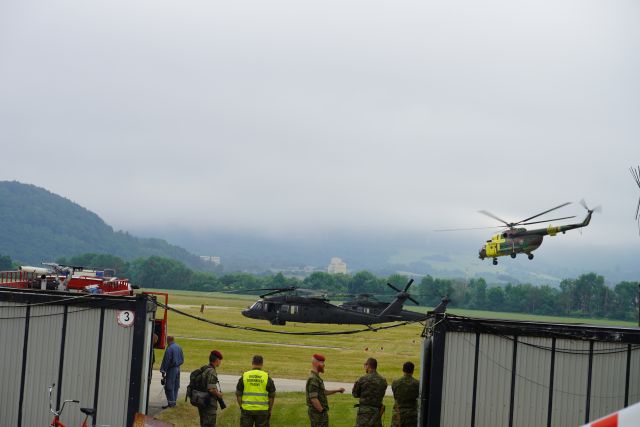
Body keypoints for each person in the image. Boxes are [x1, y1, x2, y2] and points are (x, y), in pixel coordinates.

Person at [236, 355, 276, 427]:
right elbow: (272, 396)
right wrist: (269, 409)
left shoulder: (245, 376)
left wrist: (241, 406)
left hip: (247, 410)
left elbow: (238, 394)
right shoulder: (266, 377)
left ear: (252, 363)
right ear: (262, 364)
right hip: (262, 410)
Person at [306, 354, 345, 427]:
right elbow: (313, 398)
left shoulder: (316, 378)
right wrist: (322, 411)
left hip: (319, 413)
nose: (324, 365)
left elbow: (323, 392)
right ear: (316, 363)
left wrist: (337, 390)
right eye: (322, 362)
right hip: (317, 414)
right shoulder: (313, 379)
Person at [352, 357, 388, 427]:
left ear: (368, 366)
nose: (364, 367)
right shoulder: (383, 381)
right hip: (376, 413)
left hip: (363, 414)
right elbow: (381, 394)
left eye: (365, 365)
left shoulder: (362, 379)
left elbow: (355, 394)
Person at [195, 350, 225, 427]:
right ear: (217, 360)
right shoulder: (212, 371)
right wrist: (218, 394)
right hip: (209, 404)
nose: (220, 362)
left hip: (202, 401)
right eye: (220, 360)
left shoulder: (205, 368)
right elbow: (211, 389)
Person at [391, 361, 419, 427]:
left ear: (403, 370)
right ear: (412, 371)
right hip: (411, 416)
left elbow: (395, 396)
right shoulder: (417, 384)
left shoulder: (395, 383)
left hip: (398, 415)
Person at [159, 336, 184, 409]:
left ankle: (171, 404)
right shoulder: (179, 347)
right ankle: (173, 402)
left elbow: (166, 360)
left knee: (169, 387)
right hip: (178, 368)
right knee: (176, 386)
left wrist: (163, 370)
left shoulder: (170, 348)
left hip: (172, 369)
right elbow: (182, 359)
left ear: (168, 340)